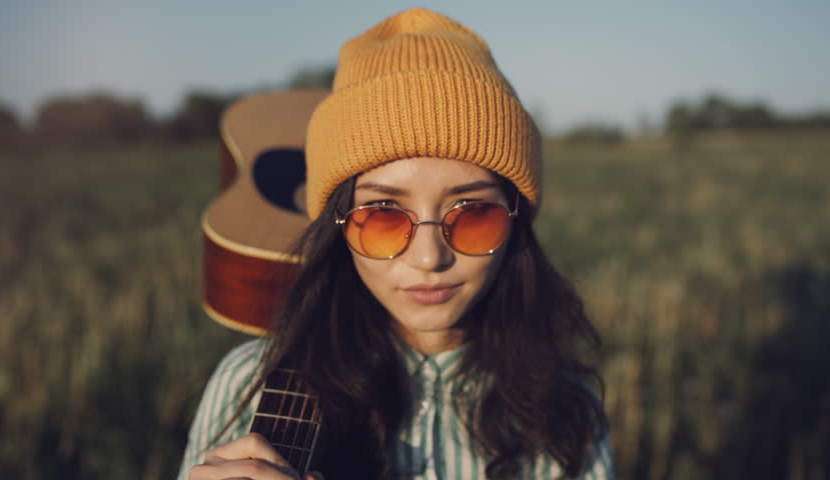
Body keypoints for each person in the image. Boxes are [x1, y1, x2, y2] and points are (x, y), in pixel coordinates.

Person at [179, 7, 613, 480]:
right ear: (338, 225)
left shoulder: (567, 409)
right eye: (383, 215)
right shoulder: (249, 384)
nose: (429, 259)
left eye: (472, 215)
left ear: (516, 224)